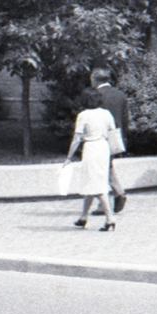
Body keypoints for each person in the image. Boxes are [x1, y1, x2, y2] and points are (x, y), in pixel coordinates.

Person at [63, 89, 117, 231]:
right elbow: (113, 132)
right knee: (92, 182)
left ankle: (110, 217)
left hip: (91, 148)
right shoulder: (106, 113)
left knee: (97, 185)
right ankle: (83, 216)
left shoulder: (83, 116)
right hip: (104, 147)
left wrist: (69, 157)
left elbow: (77, 139)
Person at [92, 67, 130, 213]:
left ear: (94, 79)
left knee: (100, 169)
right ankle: (117, 194)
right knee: (107, 167)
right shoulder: (120, 94)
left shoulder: (96, 95)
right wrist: (123, 137)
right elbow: (125, 118)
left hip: (99, 137)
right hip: (115, 136)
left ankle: (111, 198)